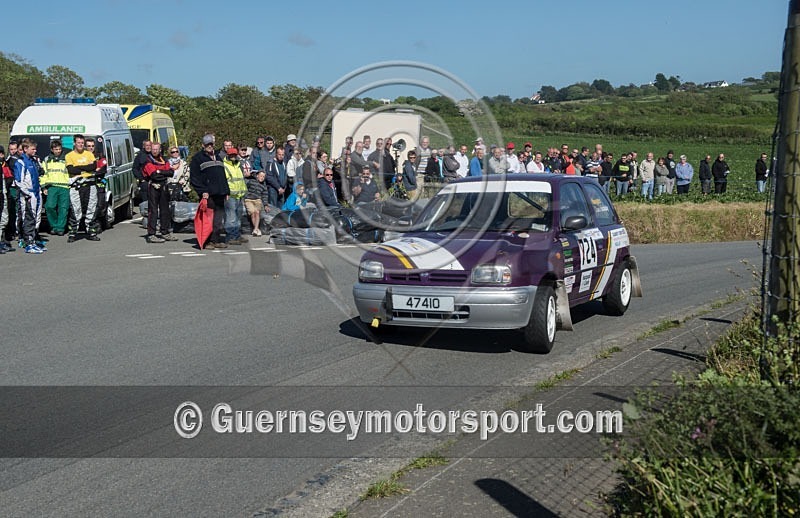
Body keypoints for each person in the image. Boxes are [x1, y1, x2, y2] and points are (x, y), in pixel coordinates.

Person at [190, 134, 229, 249]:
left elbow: (222, 176)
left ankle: (216, 240)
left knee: (218, 220)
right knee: (208, 219)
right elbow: (194, 178)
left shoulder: (218, 157)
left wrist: (226, 191)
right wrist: (202, 191)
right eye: (207, 144)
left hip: (220, 193)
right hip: (208, 194)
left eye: (211, 144)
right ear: (203, 145)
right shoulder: (198, 158)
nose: (210, 146)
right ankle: (207, 241)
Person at [65, 134, 101, 242]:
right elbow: (71, 170)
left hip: (90, 185)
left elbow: (93, 166)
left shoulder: (89, 154)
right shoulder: (69, 156)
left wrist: (79, 168)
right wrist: (85, 170)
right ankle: (72, 233)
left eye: (82, 143)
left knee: (91, 208)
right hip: (76, 186)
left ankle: (91, 232)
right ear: (74, 143)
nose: (80, 145)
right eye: (78, 143)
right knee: (76, 210)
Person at [13, 139, 44, 253]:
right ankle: (28, 243)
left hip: (36, 192)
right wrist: (27, 194)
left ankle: (33, 240)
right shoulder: (21, 162)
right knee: (28, 218)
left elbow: (39, 174)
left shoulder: (33, 161)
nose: (35, 151)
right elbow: (18, 181)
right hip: (28, 194)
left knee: (35, 217)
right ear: (26, 149)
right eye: (33, 149)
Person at [142, 142, 176, 243]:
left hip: (164, 186)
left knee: (165, 210)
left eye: (156, 149)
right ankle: (151, 234)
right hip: (153, 186)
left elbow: (171, 172)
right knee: (153, 210)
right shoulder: (148, 160)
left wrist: (159, 171)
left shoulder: (164, 159)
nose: (155, 151)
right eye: (153, 149)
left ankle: (165, 232)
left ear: (160, 150)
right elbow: (153, 175)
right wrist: (161, 173)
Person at [41, 140, 70, 236]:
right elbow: (44, 174)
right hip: (52, 186)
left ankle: (60, 227)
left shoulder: (67, 158)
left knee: (63, 208)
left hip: (64, 186)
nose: (58, 151)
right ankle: (53, 225)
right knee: (49, 206)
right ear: (52, 150)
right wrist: (44, 187)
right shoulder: (47, 159)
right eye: (56, 149)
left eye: (59, 149)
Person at [222, 146, 248, 245]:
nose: (233, 157)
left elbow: (240, 180)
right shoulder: (225, 166)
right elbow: (224, 181)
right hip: (231, 196)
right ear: (228, 155)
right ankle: (230, 237)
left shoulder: (238, 165)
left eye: (234, 155)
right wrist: (226, 193)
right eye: (231, 155)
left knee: (238, 217)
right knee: (231, 218)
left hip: (239, 195)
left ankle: (236, 235)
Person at [85, 138, 108, 231]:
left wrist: (92, 171)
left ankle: (96, 222)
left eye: (92, 146)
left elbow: (102, 168)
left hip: (99, 183)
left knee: (99, 204)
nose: (91, 148)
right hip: (86, 184)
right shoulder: (82, 157)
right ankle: (89, 223)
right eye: (89, 146)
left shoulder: (100, 156)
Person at [245, 170, 269, 236]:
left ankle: (255, 229)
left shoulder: (264, 186)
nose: (262, 178)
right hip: (249, 199)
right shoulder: (251, 181)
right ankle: (257, 229)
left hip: (257, 200)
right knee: (252, 213)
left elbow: (265, 195)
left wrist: (266, 205)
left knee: (257, 212)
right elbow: (246, 187)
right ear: (257, 175)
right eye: (261, 176)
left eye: (263, 177)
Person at [133, 140, 152, 204]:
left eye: (150, 145)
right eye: (147, 145)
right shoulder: (140, 156)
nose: (148, 147)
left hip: (154, 181)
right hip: (145, 182)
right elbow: (135, 169)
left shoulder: (155, 155)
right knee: (146, 202)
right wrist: (141, 179)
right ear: (144, 146)